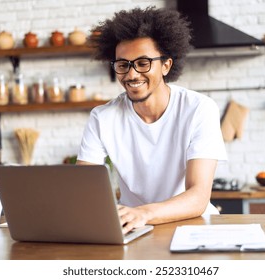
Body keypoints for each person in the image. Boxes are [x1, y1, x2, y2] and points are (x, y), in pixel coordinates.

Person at [77, 6, 227, 234]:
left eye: (143, 63)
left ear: (166, 65)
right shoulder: (102, 117)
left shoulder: (199, 109)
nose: (132, 74)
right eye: (123, 64)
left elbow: (198, 197)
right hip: (134, 229)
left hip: (193, 228)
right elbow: (83, 190)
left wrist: (144, 213)